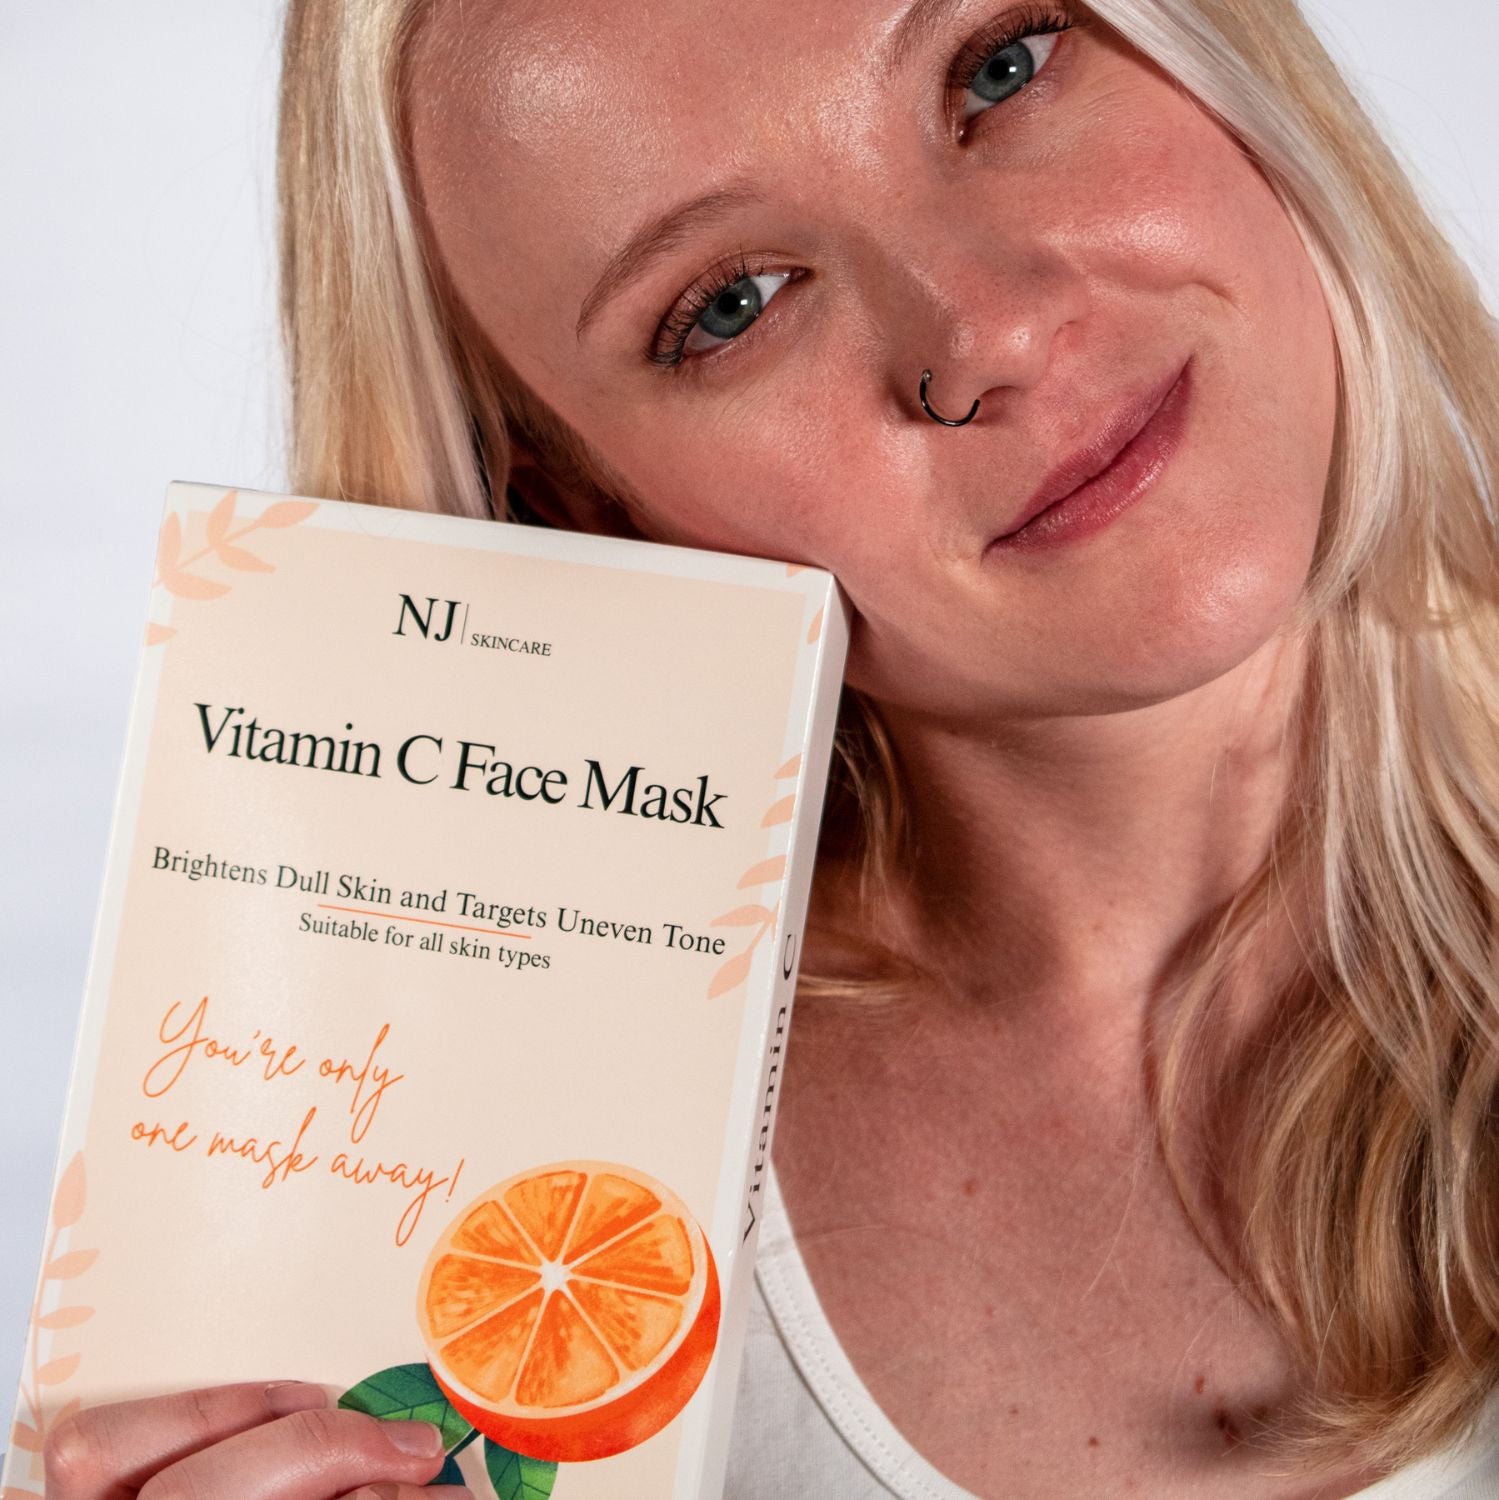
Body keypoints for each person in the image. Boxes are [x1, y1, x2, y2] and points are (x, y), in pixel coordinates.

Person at [39, 0, 1499, 1495]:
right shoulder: (466, 1222)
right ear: (582, 504)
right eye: (733, 304)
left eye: (1000, 70)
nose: (985, 331)